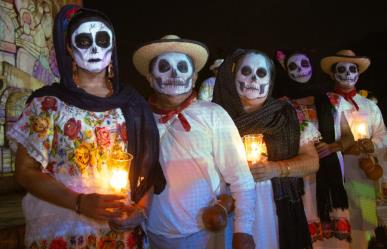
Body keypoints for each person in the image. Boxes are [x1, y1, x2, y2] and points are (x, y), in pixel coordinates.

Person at [7, 5, 165, 249]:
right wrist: (80, 202)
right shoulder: (48, 103)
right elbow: (25, 171)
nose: (94, 49)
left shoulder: (132, 104)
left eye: (102, 40)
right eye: (84, 40)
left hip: (120, 236)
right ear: (69, 47)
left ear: (112, 47)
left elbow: (149, 168)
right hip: (62, 233)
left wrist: (140, 211)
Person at [132, 35, 256, 249]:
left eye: (182, 67)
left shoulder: (213, 115)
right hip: (153, 234)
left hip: (207, 235)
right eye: (164, 67)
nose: (174, 74)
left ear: (195, 76)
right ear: (150, 78)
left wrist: (243, 230)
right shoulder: (138, 118)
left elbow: (241, 179)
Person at [213, 49, 320, 249]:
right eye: (246, 71)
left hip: (275, 208)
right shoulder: (215, 118)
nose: (253, 79)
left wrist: (276, 168)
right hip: (229, 207)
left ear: (270, 81)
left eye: (261, 73)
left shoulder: (288, 115)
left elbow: (312, 161)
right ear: (233, 76)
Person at [275, 49, 352, 248]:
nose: (300, 70)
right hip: (303, 177)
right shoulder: (283, 105)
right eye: (293, 66)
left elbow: (348, 136)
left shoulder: (332, 100)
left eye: (304, 64)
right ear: (286, 71)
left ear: (313, 66)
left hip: (332, 171)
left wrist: (333, 146)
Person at [320, 50, 387, 248]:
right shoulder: (325, 104)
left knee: (365, 221)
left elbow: (382, 133)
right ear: (332, 74)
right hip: (335, 171)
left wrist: (372, 144)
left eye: (352, 69)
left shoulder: (369, 106)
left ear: (358, 74)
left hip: (363, 171)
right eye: (342, 69)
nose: (348, 73)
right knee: (339, 219)